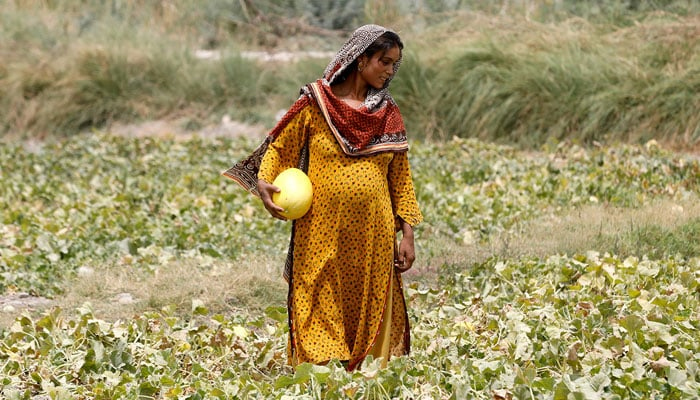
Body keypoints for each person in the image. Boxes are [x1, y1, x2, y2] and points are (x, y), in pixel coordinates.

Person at [223, 24, 422, 371]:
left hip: (373, 235)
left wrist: (407, 233)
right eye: (385, 62)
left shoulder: (388, 113)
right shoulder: (316, 104)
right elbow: (280, 146)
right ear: (361, 60)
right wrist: (265, 182)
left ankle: (358, 371)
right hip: (320, 231)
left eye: (394, 65)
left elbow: (400, 177)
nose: (391, 71)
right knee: (317, 293)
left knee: (365, 300)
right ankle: (322, 372)